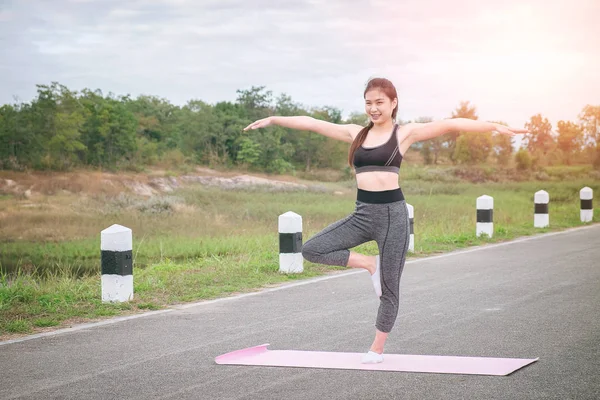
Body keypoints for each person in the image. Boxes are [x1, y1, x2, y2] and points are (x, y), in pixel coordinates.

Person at [243, 77, 526, 363]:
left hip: (393, 216)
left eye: (379, 103)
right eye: (368, 103)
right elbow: (314, 123)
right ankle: (369, 263)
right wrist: (274, 119)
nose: (373, 109)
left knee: (390, 288)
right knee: (312, 249)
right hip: (362, 213)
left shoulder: (405, 133)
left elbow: (451, 123)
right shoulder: (357, 134)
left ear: (393, 104)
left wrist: (492, 126)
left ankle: (376, 348)